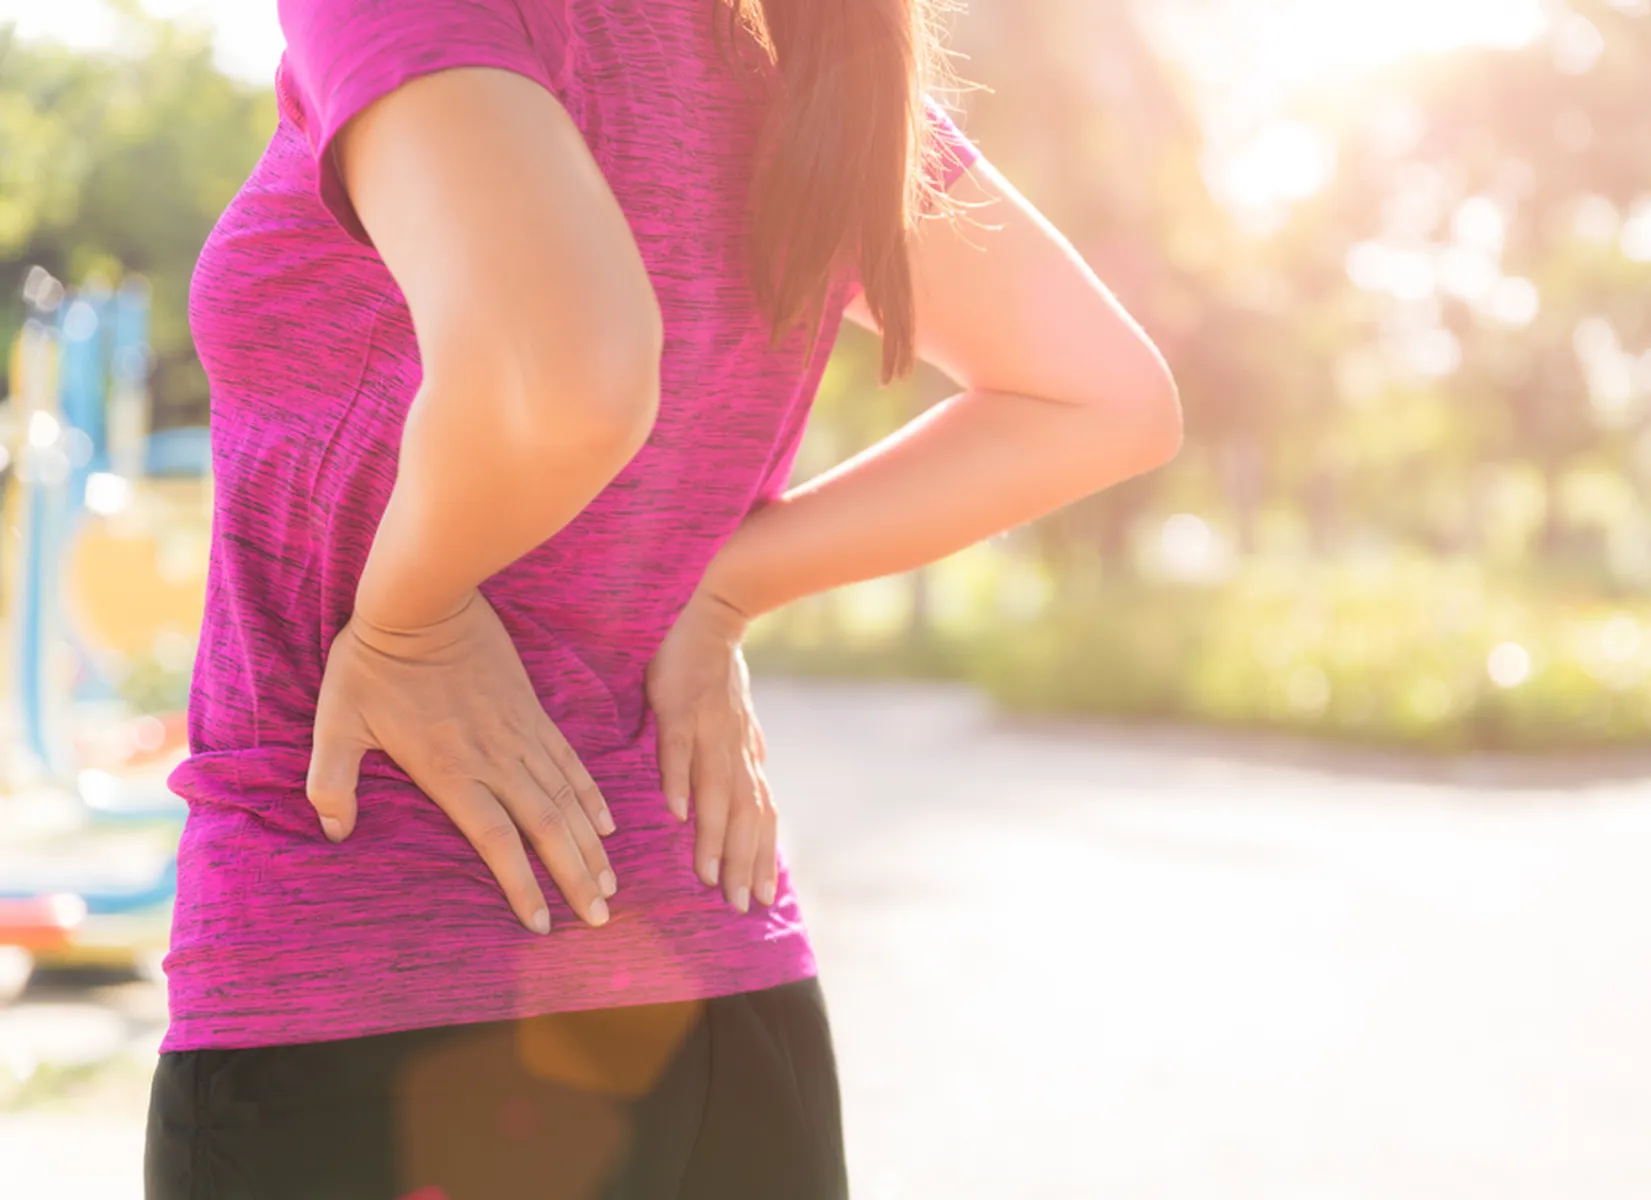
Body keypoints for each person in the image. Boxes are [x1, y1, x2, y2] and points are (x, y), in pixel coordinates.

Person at [143, 1, 1181, 1197]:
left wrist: (411, 618)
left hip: (361, 1018)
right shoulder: (806, 57)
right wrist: (725, 588)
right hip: (729, 1025)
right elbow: (1104, 401)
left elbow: (565, 367)